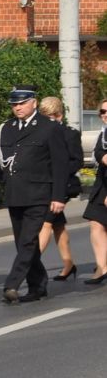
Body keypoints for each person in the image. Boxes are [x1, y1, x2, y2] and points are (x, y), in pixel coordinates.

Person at [0, 85, 69, 304]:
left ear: (33, 102)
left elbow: (60, 165)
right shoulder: (7, 128)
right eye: (14, 104)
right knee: (23, 243)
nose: (18, 108)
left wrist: (58, 196)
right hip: (15, 193)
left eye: (22, 103)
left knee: (29, 241)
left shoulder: (49, 128)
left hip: (40, 194)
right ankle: (38, 285)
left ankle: (12, 284)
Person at [35, 96, 82, 280]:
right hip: (44, 185)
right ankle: (68, 263)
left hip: (62, 187)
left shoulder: (69, 134)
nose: (47, 121)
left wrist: (58, 174)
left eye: (50, 117)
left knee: (46, 223)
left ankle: (28, 264)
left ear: (59, 115)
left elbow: (76, 160)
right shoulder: (41, 132)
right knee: (58, 225)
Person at [83, 100, 107, 286]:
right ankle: (101, 267)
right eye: (102, 111)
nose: (105, 114)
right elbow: (99, 154)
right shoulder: (103, 134)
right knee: (96, 224)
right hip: (102, 184)